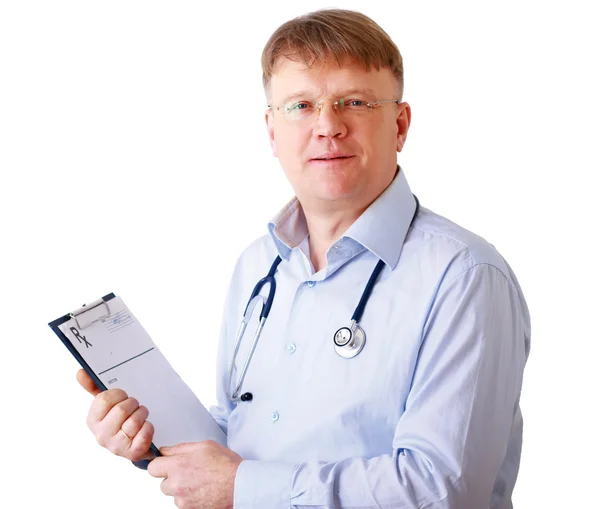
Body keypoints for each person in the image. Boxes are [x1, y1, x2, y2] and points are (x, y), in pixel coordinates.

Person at [77, 8, 531, 509]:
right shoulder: (258, 267)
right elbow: (243, 437)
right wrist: (150, 437)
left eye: (354, 101)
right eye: (301, 106)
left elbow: (441, 489)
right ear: (272, 131)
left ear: (400, 125)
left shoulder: (464, 276)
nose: (328, 126)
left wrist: (241, 487)